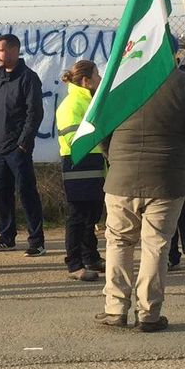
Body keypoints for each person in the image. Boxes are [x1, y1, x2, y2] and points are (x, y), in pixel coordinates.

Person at [96, 63, 185, 332]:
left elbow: (101, 128)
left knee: (118, 241)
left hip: (121, 179)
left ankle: (115, 309)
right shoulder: (183, 83)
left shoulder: (120, 81)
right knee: (156, 245)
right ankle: (149, 314)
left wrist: (116, 160)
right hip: (168, 178)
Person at [0, 33, 47, 256]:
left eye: (0, 50)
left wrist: (23, 143)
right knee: (1, 192)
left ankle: (36, 240)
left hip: (17, 149)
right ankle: (7, 236)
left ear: (13, 50)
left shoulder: (28, 78)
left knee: (27, 192)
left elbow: (35, 113)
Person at [55, 59, 105, 281]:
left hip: (94, 165)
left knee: (92, 215)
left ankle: (91, 257)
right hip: (78, 165)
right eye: (96, 75)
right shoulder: (71, 105)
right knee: (78, 216)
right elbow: (74, 139)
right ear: (86, 81)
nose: (100, 79)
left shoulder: (91, 102)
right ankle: (74, 264)